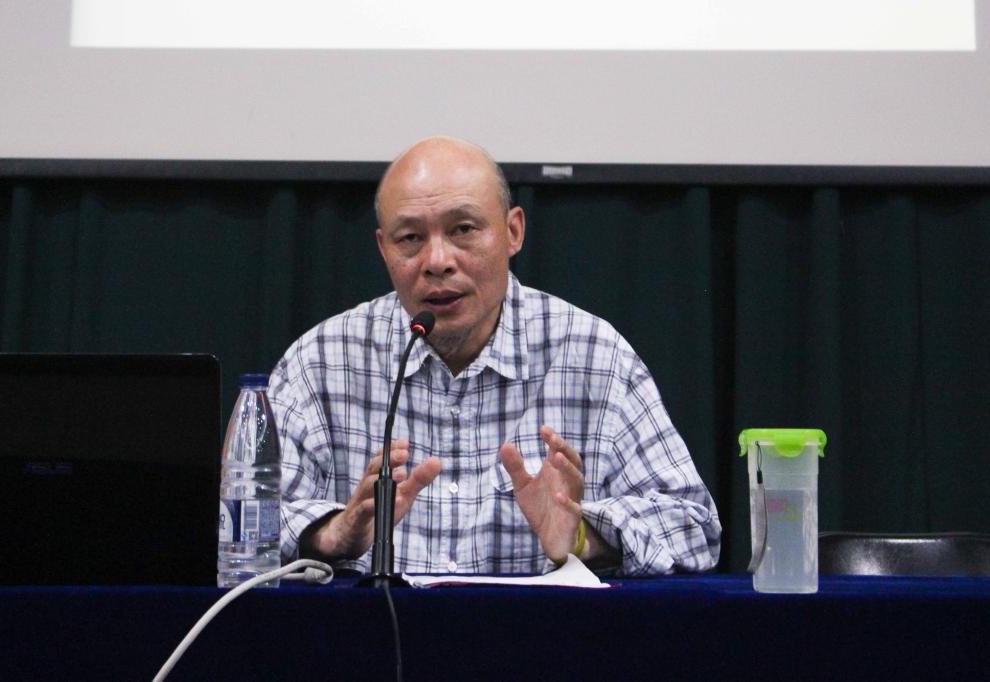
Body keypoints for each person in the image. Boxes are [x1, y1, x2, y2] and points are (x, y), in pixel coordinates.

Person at [269, 136, 720, 576]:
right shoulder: (320, 362)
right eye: (410, 238)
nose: (437, 260)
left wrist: (583, 537)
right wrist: (335, 533)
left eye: (463, 230)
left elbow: (694, 527)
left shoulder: (594, 356)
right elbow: (243, 521)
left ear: (513, 232)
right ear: (384, 249)